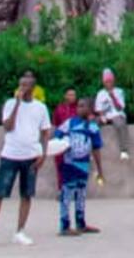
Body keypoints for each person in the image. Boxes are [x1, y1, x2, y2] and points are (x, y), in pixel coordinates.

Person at [0, 68, 52, 248]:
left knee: (26, 195)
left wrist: (43, 154)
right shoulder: (10, 104)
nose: (23, 88)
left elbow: (44, 133)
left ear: (33, 88)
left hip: (30, 156)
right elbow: (8, 127)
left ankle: (20, 231)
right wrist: (17, 104)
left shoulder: (41, 108)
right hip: (10, 155)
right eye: (21, 85)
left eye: (26, 85)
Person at [55, 96, 105, 236]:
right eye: (78, 106)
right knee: (67, 193)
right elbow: (57, 135)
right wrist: (62, 146)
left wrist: (100, 169)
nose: (79, 108)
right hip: (69, 164)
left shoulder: (93, 127)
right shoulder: (69, 123)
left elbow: (96, 149)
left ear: (90, 109)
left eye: (83, 106)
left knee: (81, 194)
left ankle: (80, 223)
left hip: (84, 165)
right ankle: (64, 225)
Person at [94, 68, 130, 160]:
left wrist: (113, 97)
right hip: (105, 116)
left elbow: (120, 107)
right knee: (92, 125)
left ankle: (124, 151)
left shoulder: (119, 91)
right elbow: (98, 109)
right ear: (104, 82)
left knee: (120, 124)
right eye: (107, 82)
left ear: (113, 81)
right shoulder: (100, 93)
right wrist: (102, 116)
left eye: (110, 81)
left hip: (117, 114)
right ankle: (92, 149)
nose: (108, 83)